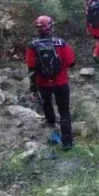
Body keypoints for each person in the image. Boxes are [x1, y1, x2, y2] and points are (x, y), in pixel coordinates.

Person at [25, 15, 76, 150]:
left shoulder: (32, 46)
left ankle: (53, 132)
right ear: (50, 27)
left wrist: (33, 89)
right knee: (64, 111)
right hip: (61, 82)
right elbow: (71, 62)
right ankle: (67, 142)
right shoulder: (61, 43)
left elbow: (31, 69)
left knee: (48, 106)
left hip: (43, 84)